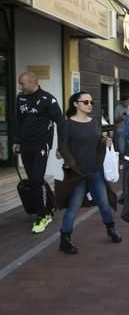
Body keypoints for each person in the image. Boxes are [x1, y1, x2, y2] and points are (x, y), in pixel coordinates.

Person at [57, 92, 122, 254]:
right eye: (85, 102)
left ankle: (110, 228)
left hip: (94, 170)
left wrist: (103, 141)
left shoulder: (94, 122)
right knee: (74, 205)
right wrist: (70, 163)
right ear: (75, 104)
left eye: (91, 101)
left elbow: (97, 138)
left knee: (104, 202)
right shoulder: (66, 124)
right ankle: (65, 238)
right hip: (78, 172)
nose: (89, 104)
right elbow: (62, 146)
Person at [12, 71, 63, 233]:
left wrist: (61, 146)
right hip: (25, 145)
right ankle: (47, 206)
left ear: (33, 82)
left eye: (23, 83)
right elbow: (18, 120)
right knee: (35, 180)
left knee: (36, 178)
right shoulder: (20, 98)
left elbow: (60, 123)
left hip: (41, 144)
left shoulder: (48, 99)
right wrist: (16, 141)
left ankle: (42, 215)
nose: (21, 86)